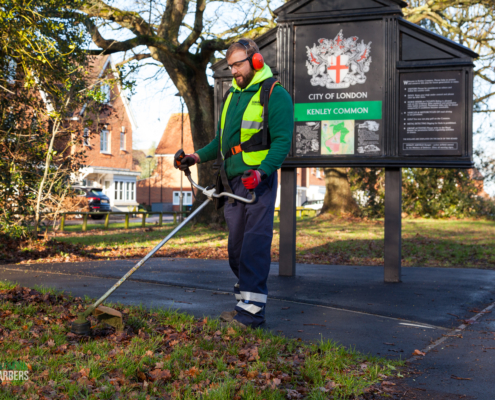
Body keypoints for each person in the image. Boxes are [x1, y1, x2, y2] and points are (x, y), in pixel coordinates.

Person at [177, 38, 294, 329]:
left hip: (257, 183)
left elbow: (282, 142)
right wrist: (195, 157)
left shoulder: (275, 95)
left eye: (238, 64)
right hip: (232, 182)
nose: (234, 71)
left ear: (256, 61)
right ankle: (244, 304)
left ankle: (251, 316)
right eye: (230, 66)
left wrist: (263, 172)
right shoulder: (233, 95)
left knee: (254, 245)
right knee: (237, 248)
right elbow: (221, 141)